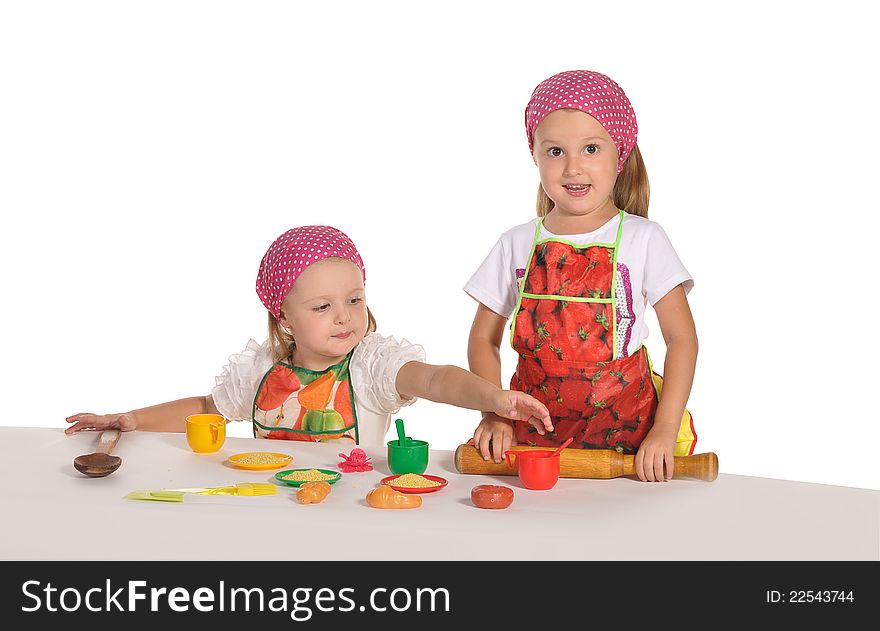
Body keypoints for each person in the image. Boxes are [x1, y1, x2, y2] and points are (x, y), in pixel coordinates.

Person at [66, 225, 552, 448]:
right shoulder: (259, 372)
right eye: (323, 307)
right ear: (284, 318)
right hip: (270, 514)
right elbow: (204, 410)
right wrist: (129, 419)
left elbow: (437, 380)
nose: (345, 318)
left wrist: (495, 399)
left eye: (355, 300)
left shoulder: (371, 366)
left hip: (355, 521)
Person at [464, 70, 698, 481]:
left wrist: (663, 430)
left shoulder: (644, 239)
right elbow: (483, 338)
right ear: (534, 154)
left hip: (629, 440)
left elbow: (682, 339)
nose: (573, 167)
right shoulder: (515, 243)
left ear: (620, 154)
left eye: (591, 148)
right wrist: (495, 413)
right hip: (532, 439)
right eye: (555, 152)